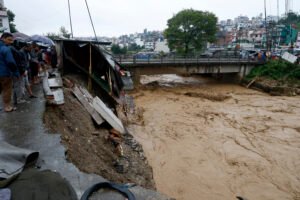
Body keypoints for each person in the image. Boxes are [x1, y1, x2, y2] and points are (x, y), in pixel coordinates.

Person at [0, 33, 18, 112]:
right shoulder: (5, 49)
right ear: (3, 39)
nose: (11, 42)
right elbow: (11, 62)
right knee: (7, 90)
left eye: (12, 40)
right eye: (9, 40)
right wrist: (15, 72)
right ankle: (7, 107)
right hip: (5, 74)